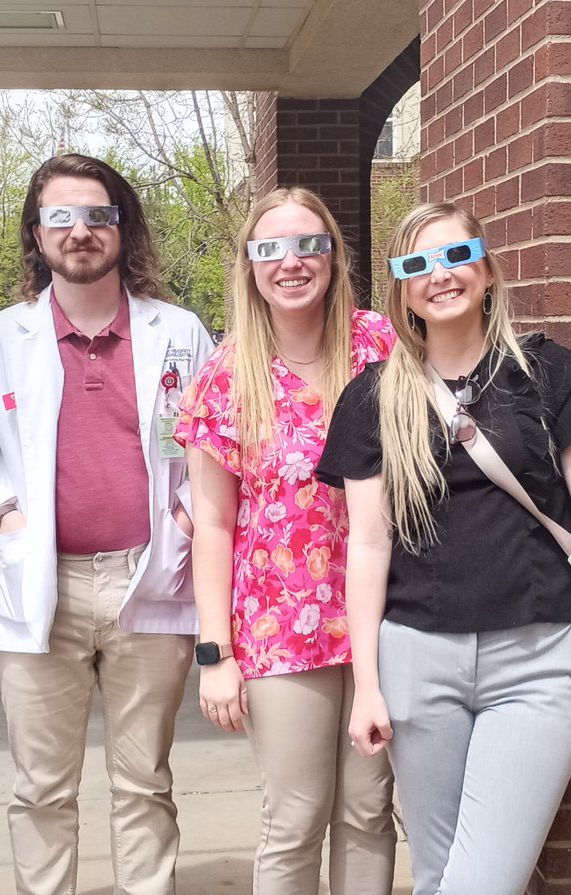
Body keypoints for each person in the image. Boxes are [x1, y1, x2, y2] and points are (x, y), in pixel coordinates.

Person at [316, 201, 571, 895]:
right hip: (416, 662)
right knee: (439, 877)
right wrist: (367, 686)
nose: (440, 275)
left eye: (457, 256)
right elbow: (368, 547)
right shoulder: (373, 397)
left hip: (537, 659)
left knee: (480, 882)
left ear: (487, 270)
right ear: (403, 290)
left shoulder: (547, 371)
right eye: (416, 264)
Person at [0, 153, 214, 895]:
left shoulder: (179, 333)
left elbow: (219, 441)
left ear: (123, 228)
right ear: (36, 232)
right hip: (40, 583)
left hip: (149, 583)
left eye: (98, 215)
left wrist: (186, 514)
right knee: (41, 790)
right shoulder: (0, 339)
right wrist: (6, 518)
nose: (81, 230)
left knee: (144, 780)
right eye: (62, 216)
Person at [175, 187, 398, 895]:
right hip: (279, 628)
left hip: (385, 617)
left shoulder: (380, 347)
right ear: (248, 265)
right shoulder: (225, 373)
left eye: (310, 244)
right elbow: (210, 523)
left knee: (368, 810)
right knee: (296, 815)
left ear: (334, 254)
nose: (291, 262)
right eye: (270, 248)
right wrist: (217, 652)